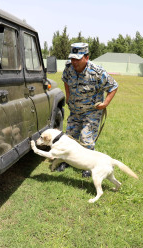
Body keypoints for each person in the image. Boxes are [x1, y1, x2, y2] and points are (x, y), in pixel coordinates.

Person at [56, 43, 118, 174]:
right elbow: (65, 80)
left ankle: (88, 167)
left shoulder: (97, 72)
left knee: (86, 139)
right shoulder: (69, 68)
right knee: (69, 137)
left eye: (78, 59)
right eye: (72, 58)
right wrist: (68, 96)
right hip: (75, 110)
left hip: (92, 112)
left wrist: (105, 103)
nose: (74, 62)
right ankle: (67, 161)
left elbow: (113, 87)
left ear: (87, 57)